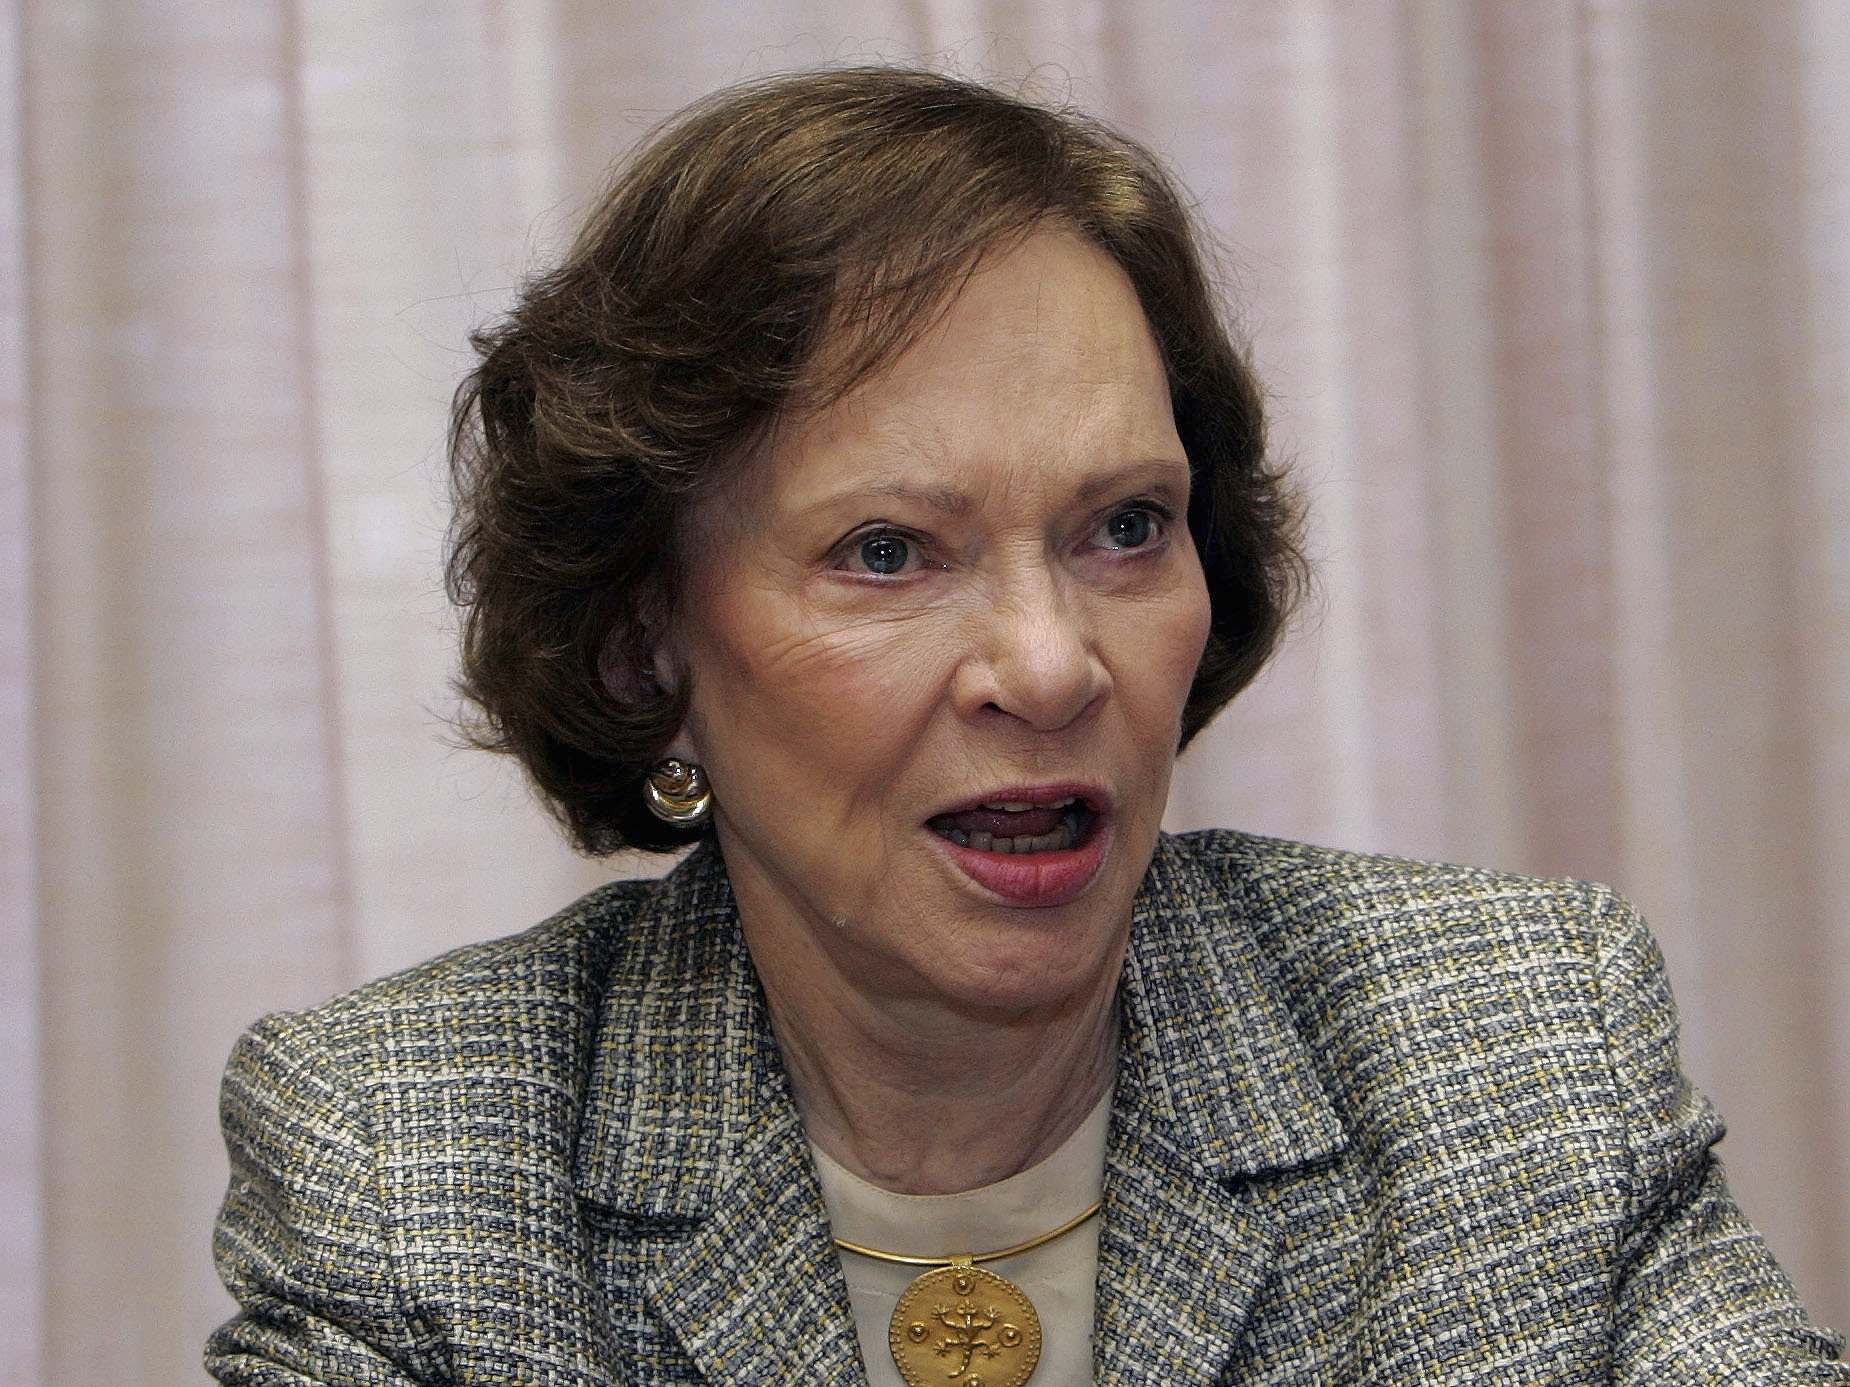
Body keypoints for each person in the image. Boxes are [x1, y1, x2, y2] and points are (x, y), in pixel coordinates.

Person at [205, 67, 1846, 1386]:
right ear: (647, 642)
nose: (1052, 667)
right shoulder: (408, 1160)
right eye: (887, 553)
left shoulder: (1511, 1046)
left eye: (1123, 526)